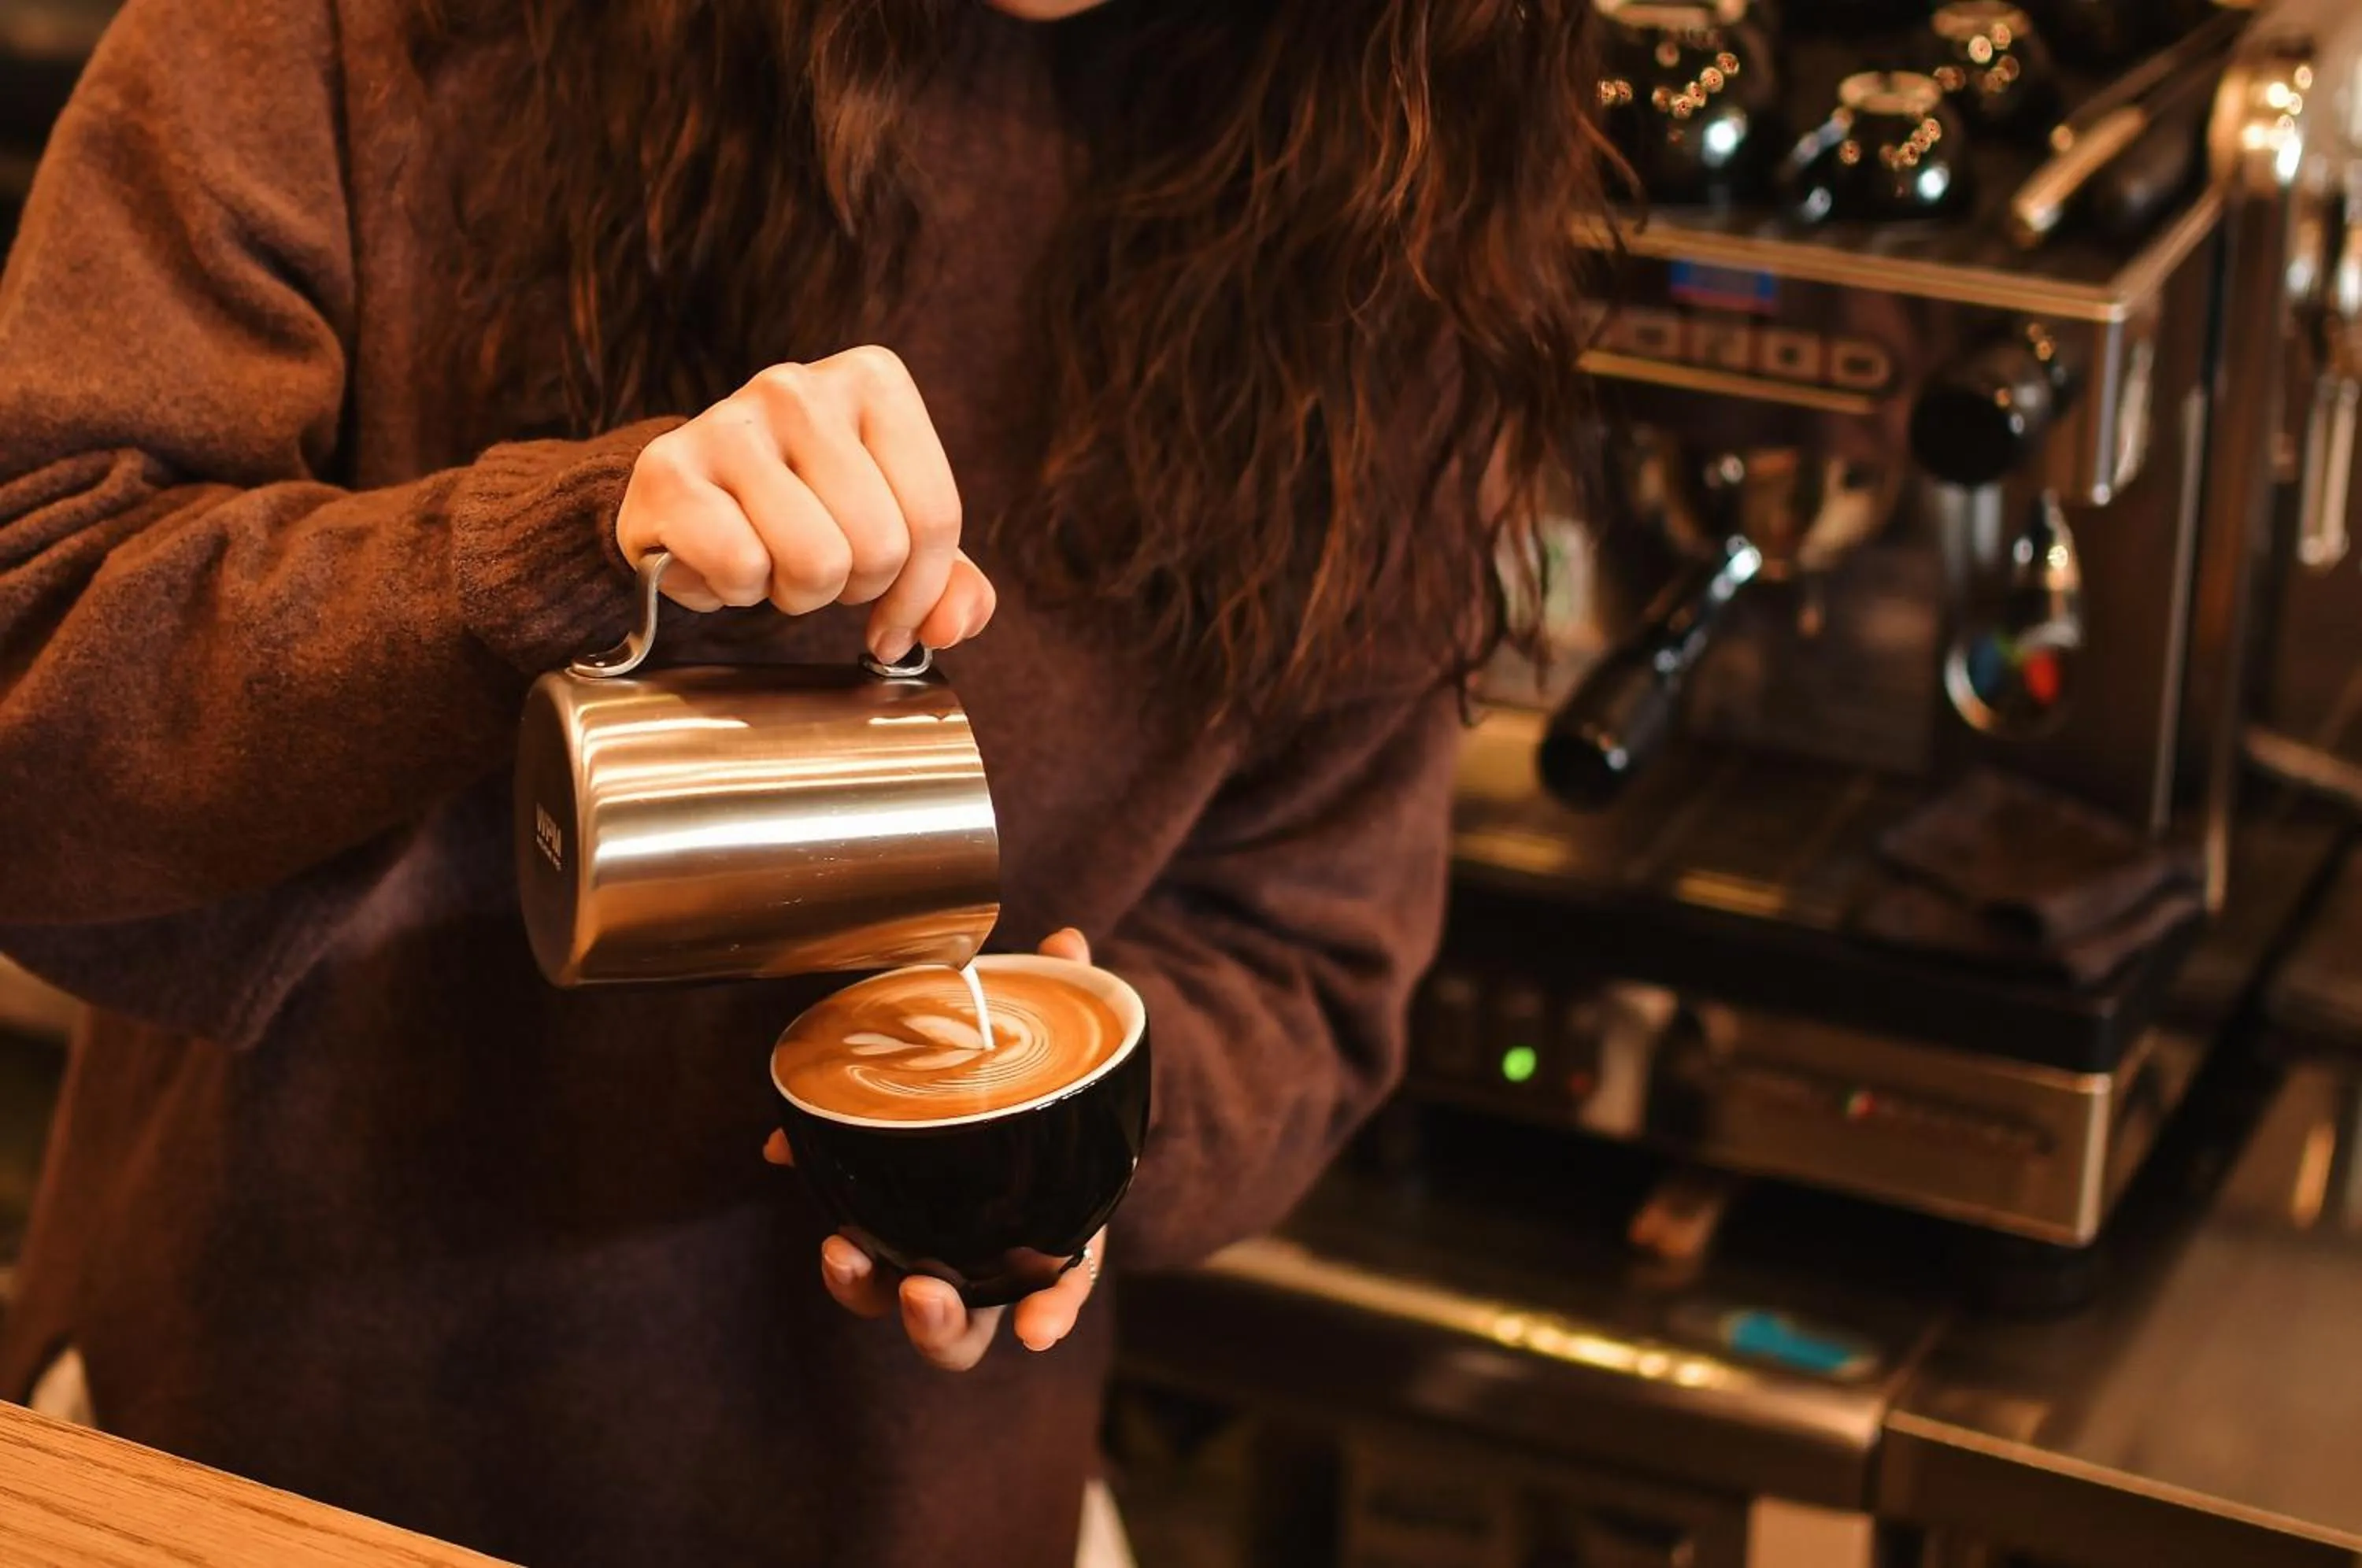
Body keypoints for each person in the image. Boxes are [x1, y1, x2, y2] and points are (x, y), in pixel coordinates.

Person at [0, 0, 1604, 1562]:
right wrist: (556, 547)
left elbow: (1303, 960)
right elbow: (34, 670)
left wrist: (1044, 1152)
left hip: (901, 1498)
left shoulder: (1394, 205)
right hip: (244, 1451)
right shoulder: (374, 41)